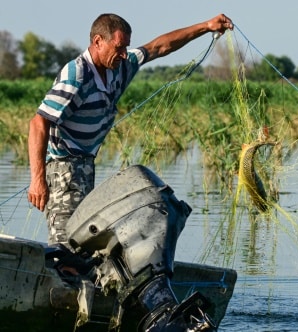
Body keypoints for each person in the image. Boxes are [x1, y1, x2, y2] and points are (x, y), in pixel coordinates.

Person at [27, 13, 233, 246]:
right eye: (119, 47)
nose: (124, 54)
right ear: (97, 42)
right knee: (65, 248)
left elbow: (159, 46)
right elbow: (38, 122)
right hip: (64, 169)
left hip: (85, 166)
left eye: (126, 47)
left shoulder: (120, 66)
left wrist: (206, 27)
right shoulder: (77, 75)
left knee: (83, 243)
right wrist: (38, 180)